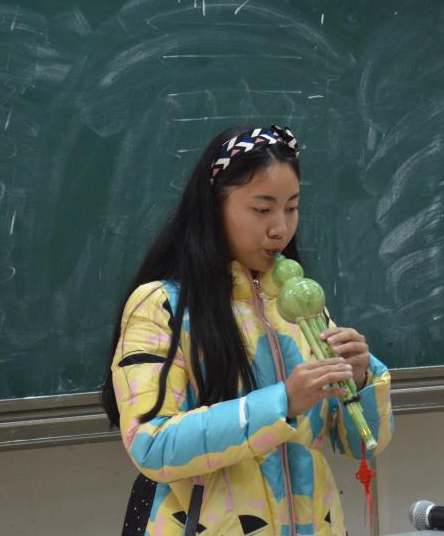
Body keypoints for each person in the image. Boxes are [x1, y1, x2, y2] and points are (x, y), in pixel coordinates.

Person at [102, 125, 393, 536]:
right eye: (262, 209)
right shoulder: (162, 306)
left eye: (292, 208)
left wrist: (361, 380)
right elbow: (152, 445)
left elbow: (360, 446)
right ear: (214, 207)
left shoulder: (302, 307)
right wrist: (282, 403)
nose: (280, 228)